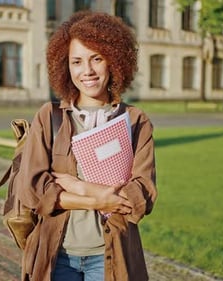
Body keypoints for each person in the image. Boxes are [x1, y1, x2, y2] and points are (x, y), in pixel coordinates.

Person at [16, 11, 157, 281]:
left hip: (111, 257)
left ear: (113, 61)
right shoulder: (49, 117)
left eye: (97, 59)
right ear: (65, 66)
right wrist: (98, 200)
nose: (87, 71)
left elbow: (142, 196)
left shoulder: (137, 122)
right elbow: (32, 192)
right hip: (57, 256)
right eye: (77, 61)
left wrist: (81, 187)